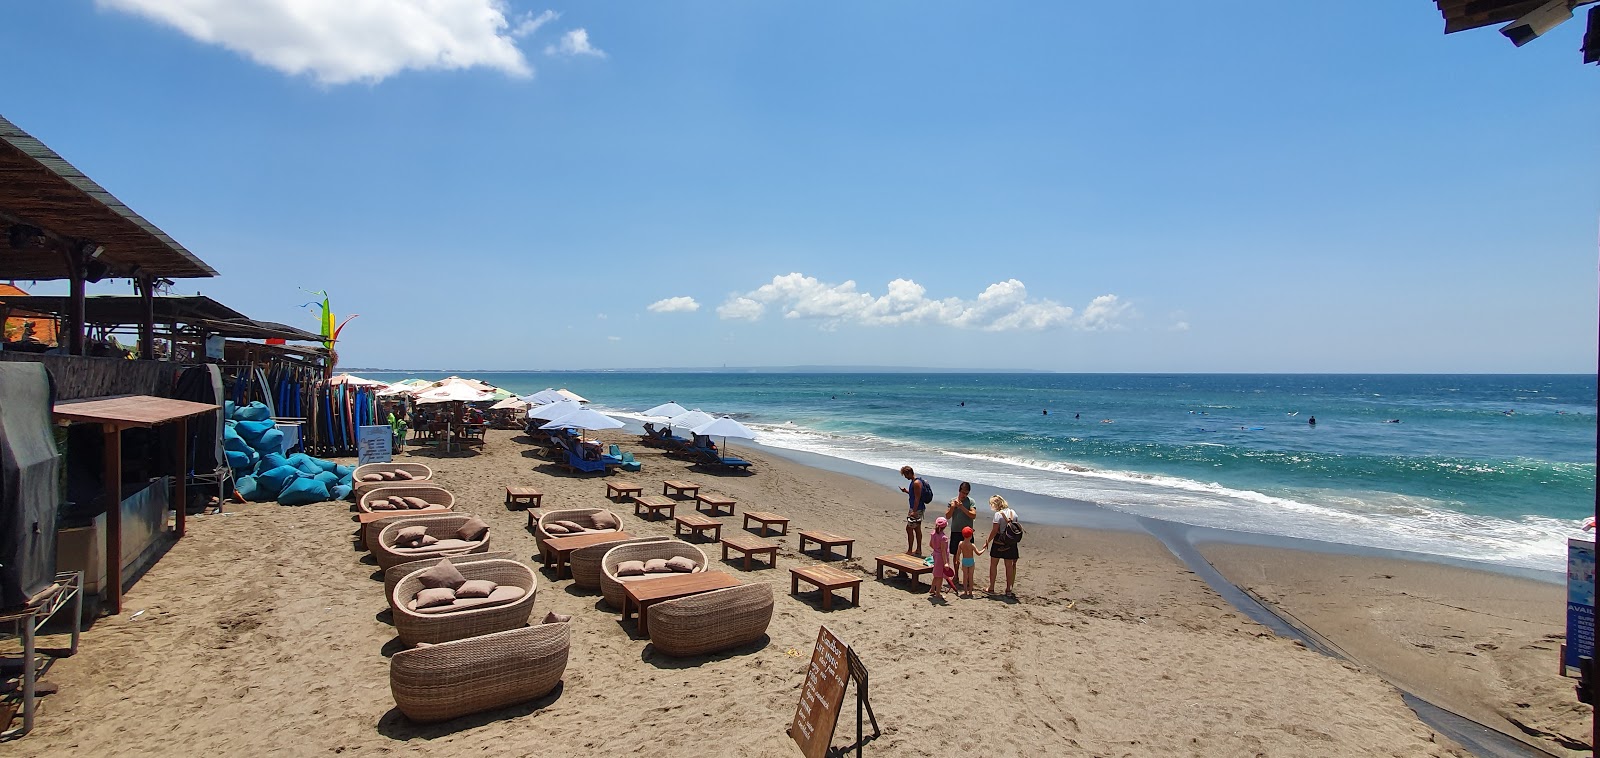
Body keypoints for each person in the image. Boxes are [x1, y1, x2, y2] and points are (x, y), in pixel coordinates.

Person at [983, 494, 1020, 597]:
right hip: (1011, 542)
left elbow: (995, 530)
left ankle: (991, 587)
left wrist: (987, 541)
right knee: (1008, 566)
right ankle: (1008, 589)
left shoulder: (998, 515)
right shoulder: (1014, 513)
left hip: (999, 541)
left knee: (993, 564)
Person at [944, 482, 976, 567]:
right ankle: (956, 575)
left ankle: (968, 576)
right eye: (963, 492)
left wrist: (962, 507)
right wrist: (952, 507)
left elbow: (973, 515)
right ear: (959, 491)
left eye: (966, 493)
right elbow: (947, 516)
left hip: (967, 533)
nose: (964, 495)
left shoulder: (970, 502)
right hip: (956, 531)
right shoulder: (952, 501)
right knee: (955, 555)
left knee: (968, 555)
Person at [899, 466, 927, 555]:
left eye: (905, 475)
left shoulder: (916, 483)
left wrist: (914, 511)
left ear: (909, 473)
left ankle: (910, 550)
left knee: (909, 529)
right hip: (916, 508)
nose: (905, 477)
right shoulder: (914, 482)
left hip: (917, 509)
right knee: (917, 529)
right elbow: (914, 495)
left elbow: (917, 498)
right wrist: (906, 491)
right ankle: (918, 550)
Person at [929, 517, 955, 599]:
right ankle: (938, 593)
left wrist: (936, 549)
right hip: (941, 557)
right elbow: (943, 551)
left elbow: (931, 544)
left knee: (936, 574)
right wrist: (946, 563)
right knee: (940, 576)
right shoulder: (944, 538)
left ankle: (932, 589)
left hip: (935, 554)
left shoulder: (933, 534)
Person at [956, 526, 983, 597]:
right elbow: (978, 553)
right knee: (971, 577)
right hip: (971, 561)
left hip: (964, 561)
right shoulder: (972, 545)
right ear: (971, 536)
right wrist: (984, 548)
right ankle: (970, 592)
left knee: (965, 577)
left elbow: (958, 553)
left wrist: (957, 560)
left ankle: (965, 591)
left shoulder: (961, 543)